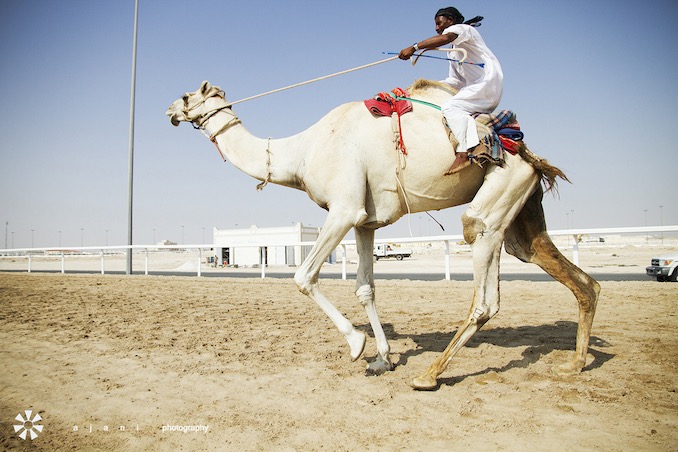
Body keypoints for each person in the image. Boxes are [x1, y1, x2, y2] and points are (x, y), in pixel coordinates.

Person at [399, 6, 503, 173]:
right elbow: (455, 81)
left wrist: (414, 47)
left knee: (451, 107)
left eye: (439, 23)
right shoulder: (453, 52)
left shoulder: (464, 29)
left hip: (487, 84)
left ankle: (464, 152)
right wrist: (423, 87)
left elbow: (447, 37)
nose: (436, 28)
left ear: (450, 20)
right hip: (475, 89)